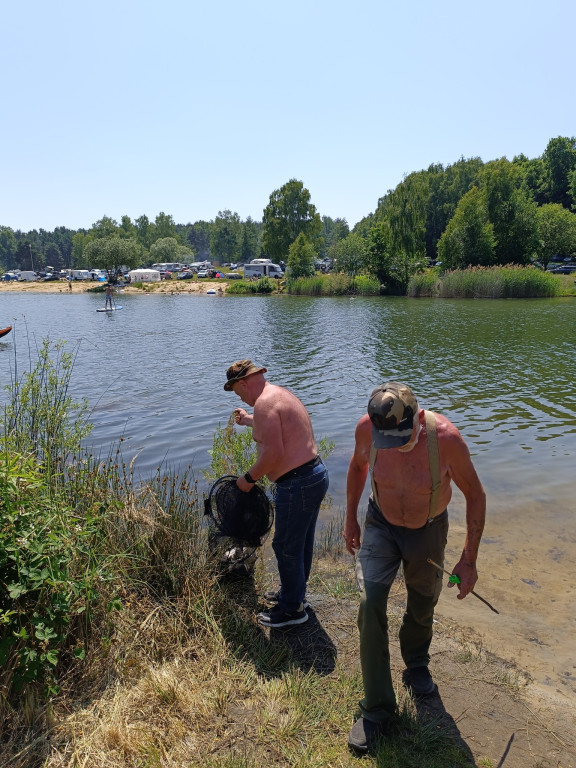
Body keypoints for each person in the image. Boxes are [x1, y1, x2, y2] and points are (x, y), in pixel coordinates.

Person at [344, 382, 485, 753]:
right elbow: (358, 468)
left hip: (428, 529)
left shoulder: (447, 440)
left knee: (423, 602)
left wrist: (468, 560)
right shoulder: (367, 431)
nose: (397, 444)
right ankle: (377, 709)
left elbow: (476, 495)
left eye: (403, 436)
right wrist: (350, 520)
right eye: (388, 438)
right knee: (368, 602)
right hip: (381, 524)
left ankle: (417, 663)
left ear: (419, 418)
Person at [224, 359, 329, 628]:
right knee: (300, 542)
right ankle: (295, 596)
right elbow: (277, 431)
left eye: (239, 393)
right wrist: (249, 421)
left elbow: (274, 454)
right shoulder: (276, 395)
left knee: (285, 546)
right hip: (313, 475)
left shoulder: (265, 403)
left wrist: (248, 480)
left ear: (244, 383)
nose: (242, 399)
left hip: (297, 483)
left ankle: (292, 610)